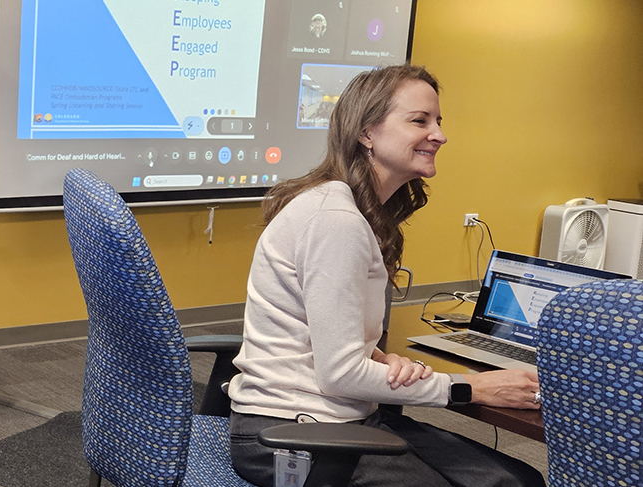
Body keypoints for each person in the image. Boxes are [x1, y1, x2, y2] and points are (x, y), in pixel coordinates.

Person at [226, 65, 546, 487]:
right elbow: (339, 374)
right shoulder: (335, 221)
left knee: (515, 479)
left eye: (438, 121)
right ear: (366, 133)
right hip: (292, 432)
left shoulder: (348, 209)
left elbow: (316, 330)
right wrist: (472, 388)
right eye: (419, 121)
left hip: (338, 416)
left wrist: (376, 356)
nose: (439, 135)